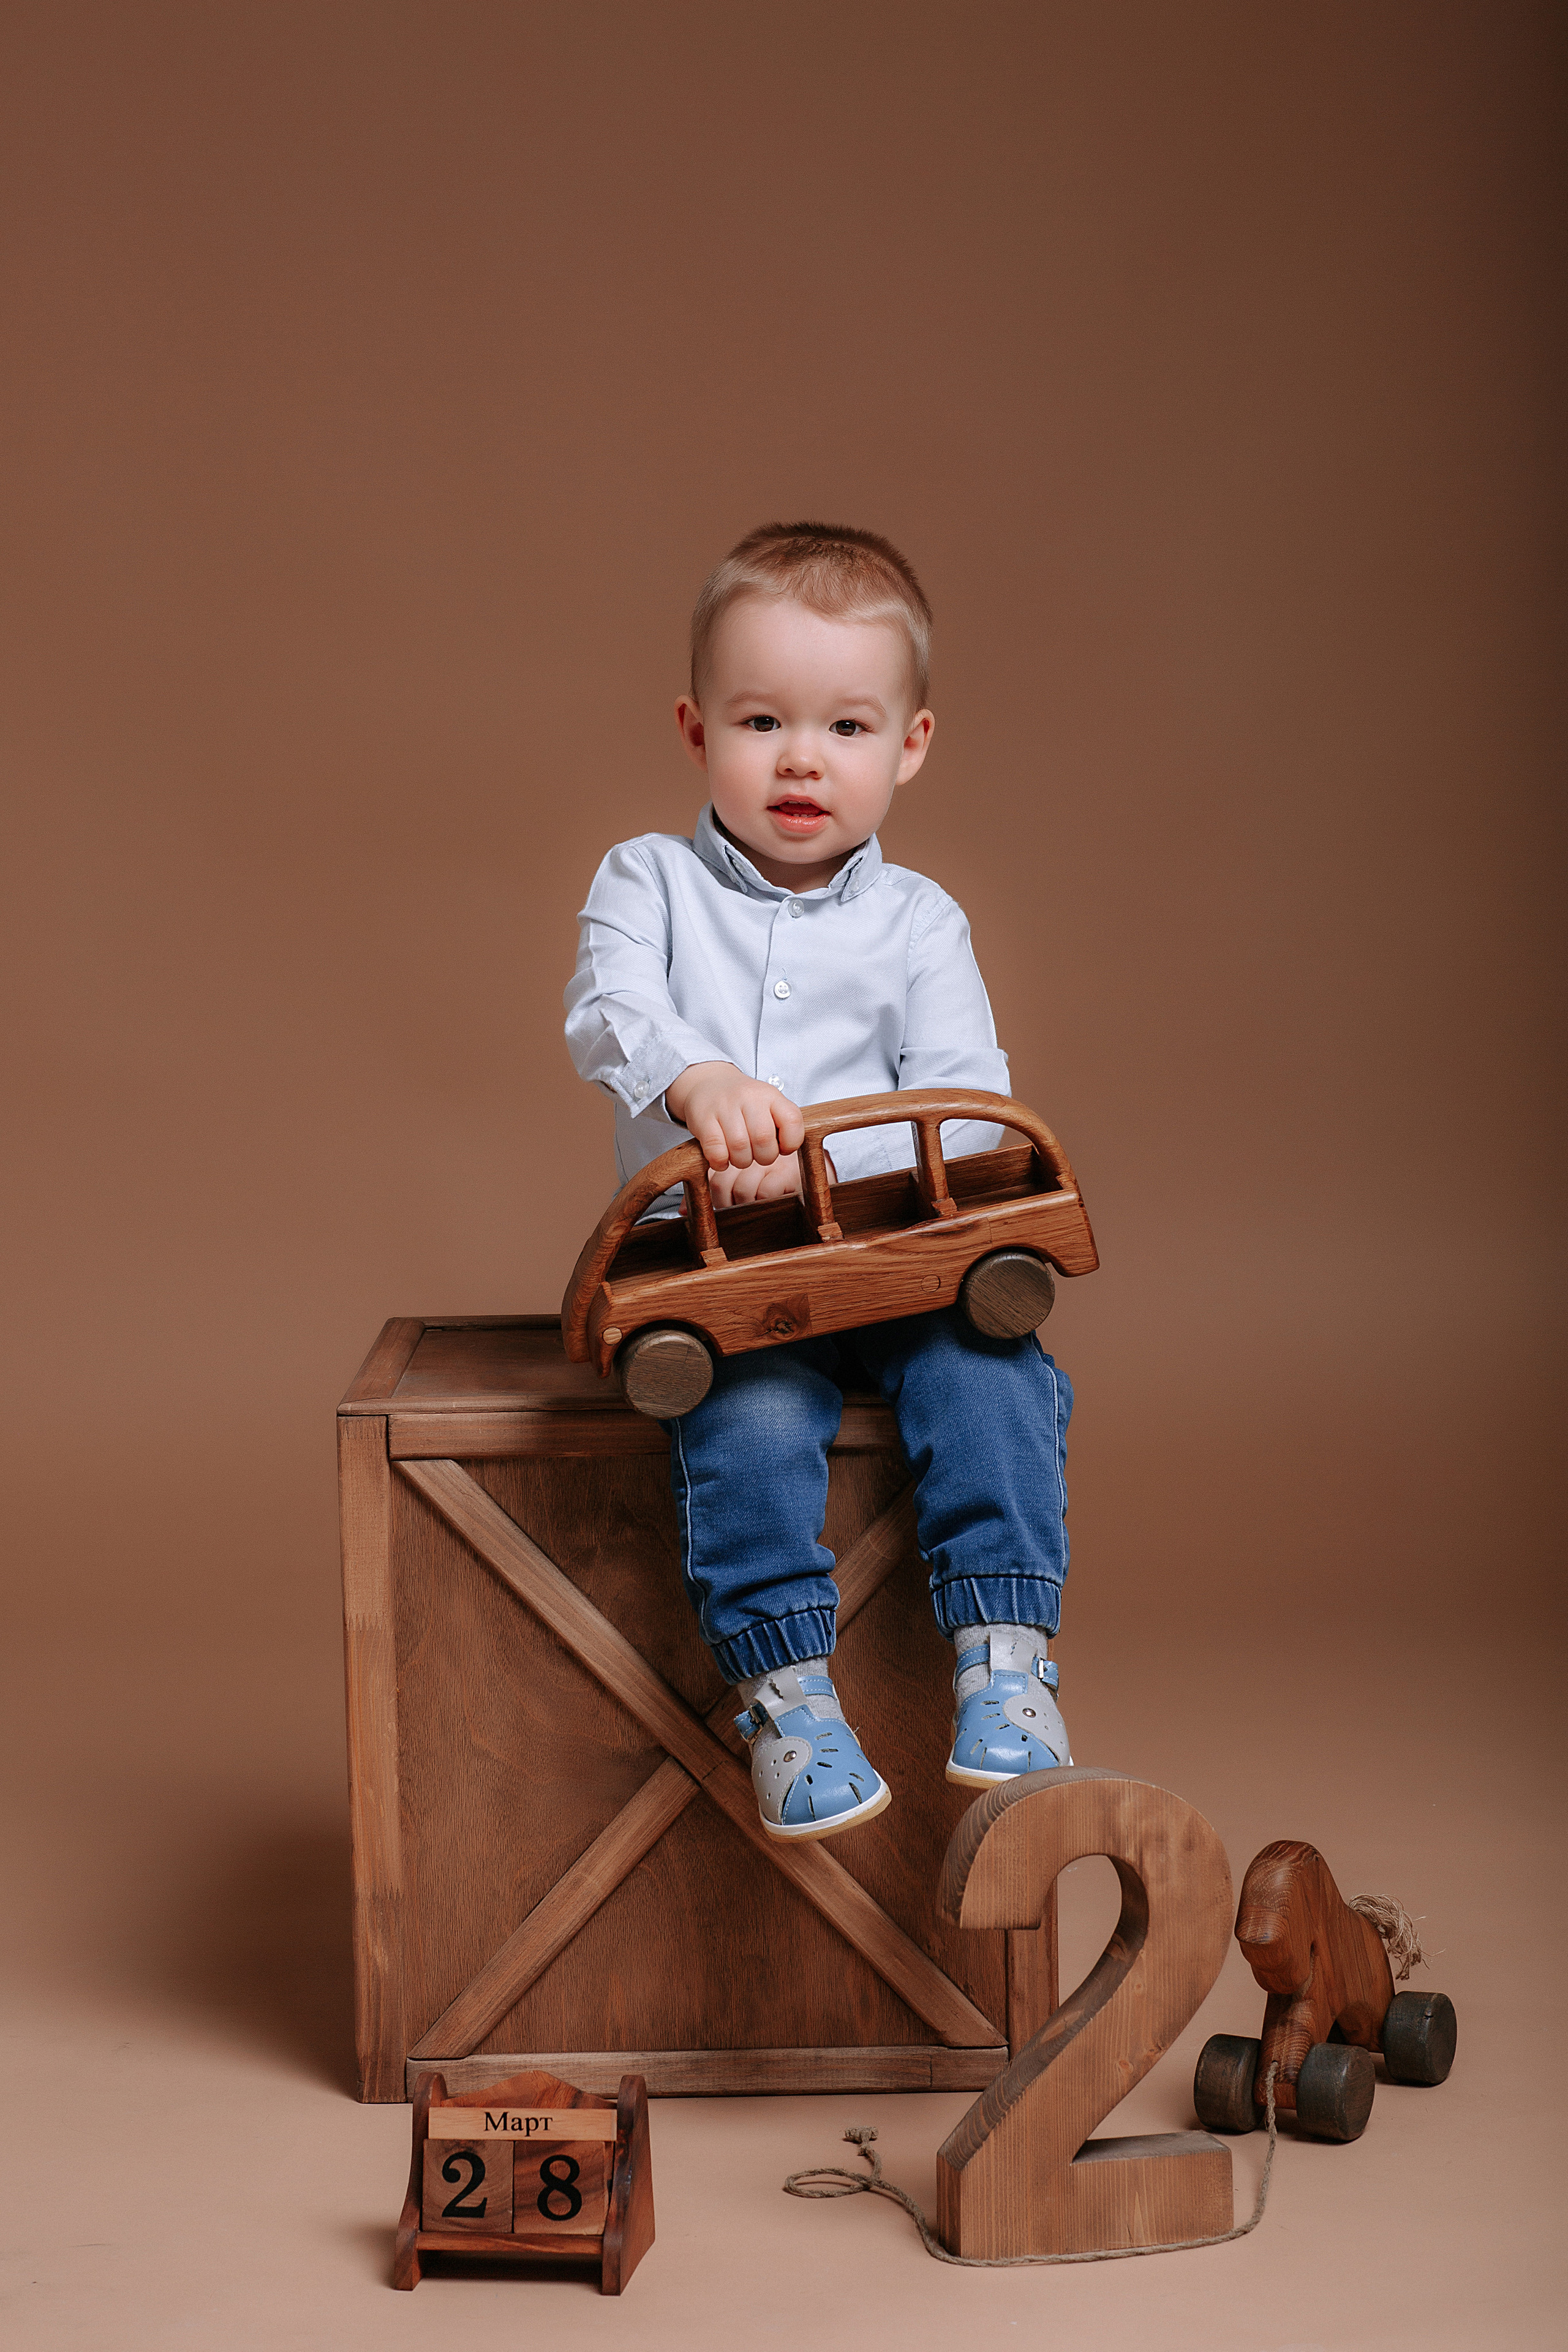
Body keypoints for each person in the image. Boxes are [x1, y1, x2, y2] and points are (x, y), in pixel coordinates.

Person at [564, 521, 1073, 1842]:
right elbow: (607, 1006)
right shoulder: (651, 882)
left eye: (846, 727)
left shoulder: (921, 923)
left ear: (907, 747)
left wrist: (865, 1162)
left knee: (995, 1377)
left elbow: (964, 1105)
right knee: (743, 1420)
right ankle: (787, 1695)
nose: (801, 757)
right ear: (694, 732)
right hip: (722, 1268)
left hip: (884, 1254)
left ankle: (1004, 1663)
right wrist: (693, 1079)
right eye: (760, 720)